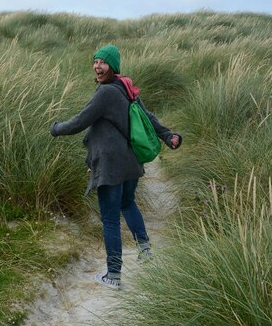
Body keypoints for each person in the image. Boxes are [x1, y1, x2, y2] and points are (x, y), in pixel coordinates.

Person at [50, 44, 182, 290]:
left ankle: (113, 275)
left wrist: (56, 128)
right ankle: (145, 249)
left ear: (114, 66)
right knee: (127, 203)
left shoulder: (106, 93)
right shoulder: (126, 86)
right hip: (130, 162)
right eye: (95, 61)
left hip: (111, 165)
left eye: (103, 62)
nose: (97, 66)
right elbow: (148, 116)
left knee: (110, 219)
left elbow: (80, 120)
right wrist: (167, 135)